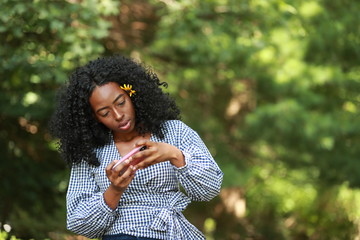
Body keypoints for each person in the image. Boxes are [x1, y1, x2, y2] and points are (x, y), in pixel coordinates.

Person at [50, 55, 223, 240]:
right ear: (93, 117)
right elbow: (79, 222)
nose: (118, 115)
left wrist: (174, 155)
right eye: (105, 112)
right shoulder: (90, 151)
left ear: (132, 93)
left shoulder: (174, 132)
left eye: (121, 103)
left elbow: (209, 189)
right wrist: (114, 190)